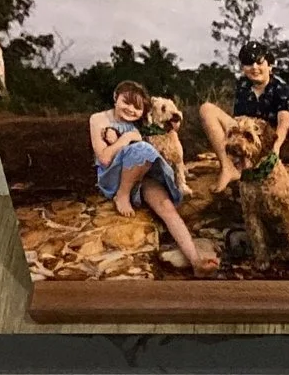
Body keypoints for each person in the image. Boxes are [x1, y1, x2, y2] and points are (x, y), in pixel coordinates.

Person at [89, 81, 213, 275]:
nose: (131, 110)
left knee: (166, 207)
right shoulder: (99, 119)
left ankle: (195, 260)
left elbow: (164, 119)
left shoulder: (141, 123)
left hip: (141, 177)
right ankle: (122, 195)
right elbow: (104, 158)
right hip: (113, 178)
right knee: (143, 148)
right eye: (126, 102)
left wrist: (174, 121)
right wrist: (126, 138)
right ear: (115, 97)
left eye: (137, 107)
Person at [198, 43, 289, 207]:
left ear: (270, 65)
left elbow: (284, 121)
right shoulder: (243, 86)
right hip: (249, 138)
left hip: (275, 141)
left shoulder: (280, 87)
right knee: (207, 109)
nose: (254, 67)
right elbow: (239, 119)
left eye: (259, 62)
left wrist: (276, 146)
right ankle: (229, 167)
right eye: (248, 63)